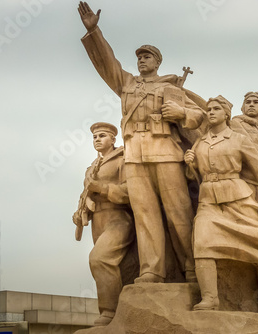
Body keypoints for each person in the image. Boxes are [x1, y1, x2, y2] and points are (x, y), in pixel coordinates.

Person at [78, 2, 204, 283]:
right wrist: (95, 31)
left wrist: (181, 112)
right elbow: (106, 63)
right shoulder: (127, 85)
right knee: (145, 215)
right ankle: (152, 270)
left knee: (178, 213)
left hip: (165, 153)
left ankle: (193, 268)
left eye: (147, 57)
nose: (141, 61)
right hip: (135, 157)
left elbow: (199, 116)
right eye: (139, 57)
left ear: (157, 62)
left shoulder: (170, 88)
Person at [184, 95, 258, 317]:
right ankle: (210, 298)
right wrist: (190, 164)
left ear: (226, 114)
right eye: (208, 109)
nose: (210, 112)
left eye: (215, 109)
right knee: (202, 244)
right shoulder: (200, 142)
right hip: (208, 200)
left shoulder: (238, 139)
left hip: (237, 197)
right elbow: (194, 178)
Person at [73, 122, 137, 326]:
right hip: (97, 222)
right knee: (119, 268)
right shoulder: (91, 167)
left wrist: (99, 187)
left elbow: (130, 191)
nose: (97, 139)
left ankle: (109, 312)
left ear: (113, 139)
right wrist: (80, 213)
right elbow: (86, 196)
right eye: (94, 137)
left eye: (102, 136)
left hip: (119, 218)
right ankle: (121, 314)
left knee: (99, 258)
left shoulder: (123, 160)